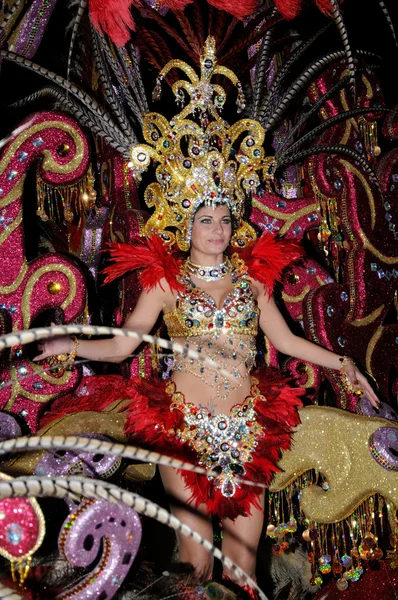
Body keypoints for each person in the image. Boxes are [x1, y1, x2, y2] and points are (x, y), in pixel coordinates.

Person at [34, 38, 379, 598]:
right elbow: (124, 348)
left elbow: (286, 343)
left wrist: (344, 363)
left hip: (248, 434)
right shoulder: (166, 281)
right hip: (184, 431)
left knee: (243, 567)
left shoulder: (252, 280)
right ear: (183, 223)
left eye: (224, 217)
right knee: (196, 567)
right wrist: (67, 346)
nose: (217, 229)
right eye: (204, 219)